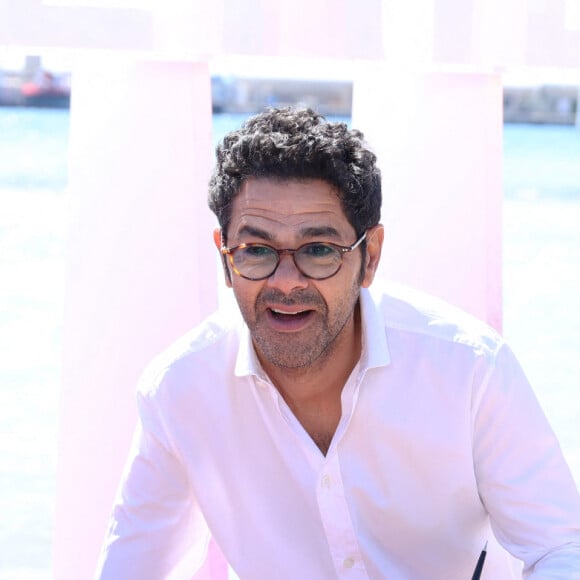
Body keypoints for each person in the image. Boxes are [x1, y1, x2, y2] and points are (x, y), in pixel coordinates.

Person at [96, 107, 580, 579]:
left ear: (370, 257)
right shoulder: (178, 390)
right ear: (225, 258)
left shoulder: (470, 368)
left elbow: (562, 549)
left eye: (319, 250)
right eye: (257, 250)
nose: (287, 281)